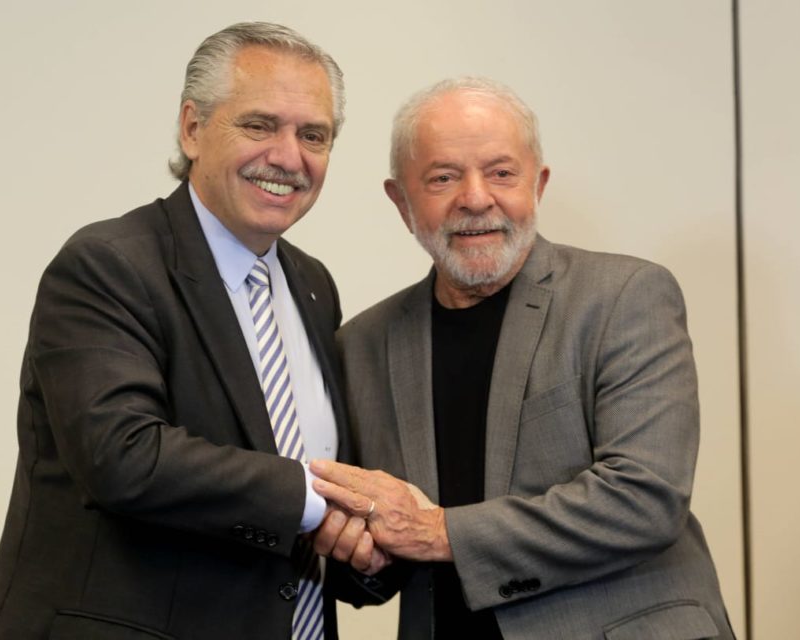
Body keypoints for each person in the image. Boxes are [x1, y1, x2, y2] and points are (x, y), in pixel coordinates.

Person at [310, 77, 734, 639]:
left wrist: (437, 531)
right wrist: (356, 553)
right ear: (401, 202)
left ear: (539, 183)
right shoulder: (361, 344)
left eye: (502, 172)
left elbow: (645, 499)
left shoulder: (626, 297)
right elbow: (375, 559)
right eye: (443, 177)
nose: (476, 197)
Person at [0, 22, 351, 640]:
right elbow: (121, 455)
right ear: (192, 127)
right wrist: (322, 503)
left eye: (313, 134)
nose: (289, 157)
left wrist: (366, 537)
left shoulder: (313, 286)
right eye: (260, 125)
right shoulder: (109, 263)